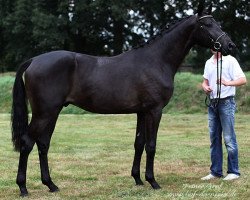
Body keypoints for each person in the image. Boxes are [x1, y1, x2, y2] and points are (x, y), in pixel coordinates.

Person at [201, 49, 247, 181]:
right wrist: (205, 87)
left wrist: (228, 83)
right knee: (214, 138)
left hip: (226, 102)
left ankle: (233, 171)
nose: (214, 47)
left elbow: (243, 80)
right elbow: (205, 81)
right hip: (212, 103)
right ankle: (215, 172)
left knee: (229, 138)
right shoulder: (208, 62)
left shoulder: (230, 60)